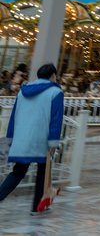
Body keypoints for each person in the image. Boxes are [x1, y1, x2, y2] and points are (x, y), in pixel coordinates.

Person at [0, 63, 64, 214]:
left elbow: (14, 117)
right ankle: (36, 207)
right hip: (41, 139)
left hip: (22, 138)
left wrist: (11, 137)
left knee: (18, 172)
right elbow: (56, 121)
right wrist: (53, 143)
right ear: (53, 76)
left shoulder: (22, 92)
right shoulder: (56, 92)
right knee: (43, 172)